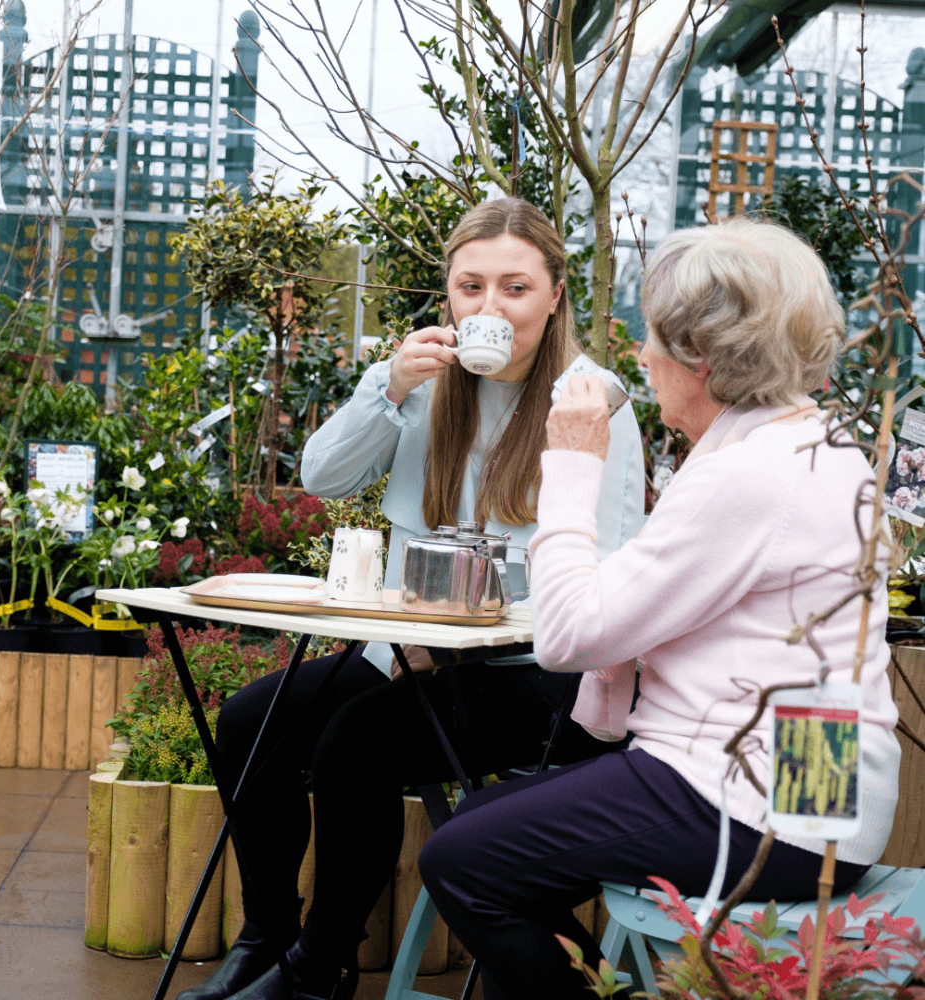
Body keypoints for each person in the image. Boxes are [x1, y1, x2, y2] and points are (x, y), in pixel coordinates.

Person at [417, 216, 903, 1000]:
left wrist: (570, 463)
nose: (640, 357)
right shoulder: (821, 449)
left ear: (703, 358)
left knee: (461, 859)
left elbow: (570, 634)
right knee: (488, 819)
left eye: (652, 339)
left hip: (762, 801)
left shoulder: (748, 476)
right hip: (819, 785)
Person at [176, 198, 646, 1000]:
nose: (488, 308)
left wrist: (460, 634)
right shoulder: (424, 382)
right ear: (449, 294)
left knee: (355, 740)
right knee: (251, 721)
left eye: (514, 288)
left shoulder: (590, 401)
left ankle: (318, 970)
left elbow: (604, 578)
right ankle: (268, 938)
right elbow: (323, 477)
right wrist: (385, 388)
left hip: (536, 673)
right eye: (470, 287)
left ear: (555, 294)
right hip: (411, 654)